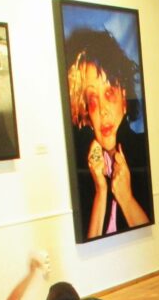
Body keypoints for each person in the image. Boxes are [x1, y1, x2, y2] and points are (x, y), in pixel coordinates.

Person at [63, 28, 152, 240]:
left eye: (109, 93)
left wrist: (126, 198)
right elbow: (88, 242)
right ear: (84, 109)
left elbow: (149, 238)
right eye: (93, 99)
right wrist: (101, 190)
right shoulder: (81, 165)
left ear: (123, 96)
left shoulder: (141, 153)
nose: (102, 110)